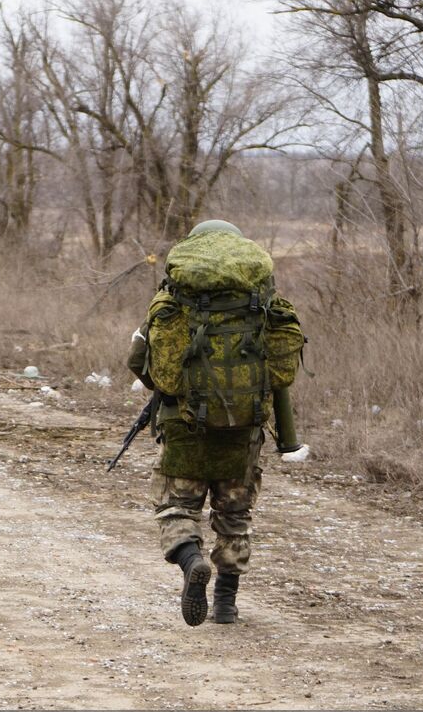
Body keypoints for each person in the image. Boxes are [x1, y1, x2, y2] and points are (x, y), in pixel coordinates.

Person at [126, 219, 304, 626]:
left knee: (176, 507)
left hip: (184, 426)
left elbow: (137, 359)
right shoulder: (262, 304)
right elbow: (280, 372)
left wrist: (167, 391)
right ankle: (226, 603)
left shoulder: (176, 299)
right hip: (243, 431)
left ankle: (191, 562)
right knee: (234, 515)